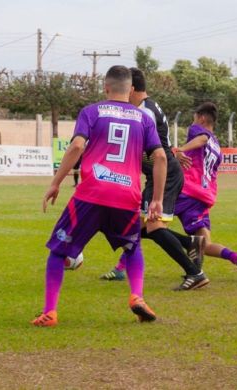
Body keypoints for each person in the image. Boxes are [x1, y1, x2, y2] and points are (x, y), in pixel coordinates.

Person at [31, 66, 167, 327]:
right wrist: (157, 199)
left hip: (91, 194)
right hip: (127, 195)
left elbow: (77, 146)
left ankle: (50, 313)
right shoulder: (144, 118)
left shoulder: (91, 112)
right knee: (133, 246)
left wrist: (56, 182)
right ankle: (137, 296)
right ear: (130, 90)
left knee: (58, 252)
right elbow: (160, 156)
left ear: (106, 88)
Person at [99, 68, 208, 291]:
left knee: (154, 226)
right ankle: (189, 243)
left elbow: (148, 148)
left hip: (164, 173)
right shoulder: (148, 107)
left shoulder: (144, 111)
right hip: (162, 171)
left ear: (132, 89)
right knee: (135, 229)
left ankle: (194, 273)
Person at [171, 102, 237, 283]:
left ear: (201, 118)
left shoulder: (197, 130)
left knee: (150, 224)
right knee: (204, 244)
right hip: (205, 196)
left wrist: (180, 149)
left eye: (195, 117)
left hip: (188, 192)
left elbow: (201, 138)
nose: (193, 122)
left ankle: (121, 267)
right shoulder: (217, 145)